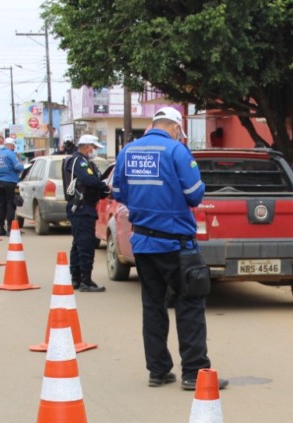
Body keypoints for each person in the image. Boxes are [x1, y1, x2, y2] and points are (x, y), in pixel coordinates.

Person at [113, 107, 227, 391]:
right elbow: (195, 195)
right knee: (190, 305)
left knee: (153, 306)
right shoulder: (177, 151)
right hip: (177, 245)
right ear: (176, 128)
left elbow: (118, 192)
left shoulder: (127, 152)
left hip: (143, 244)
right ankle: (194, 372)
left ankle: (158, 371)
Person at [66, 134, 108, 293]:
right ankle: (85, 280)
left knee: (78, 244)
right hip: (81, 207)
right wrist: (103, 186)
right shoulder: (79, 161)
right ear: (86, 146)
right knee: (85, 244)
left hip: (85, 207)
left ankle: (76, 279)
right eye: (94, 147)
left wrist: (102, 189)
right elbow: (88, 180)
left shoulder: (85, 162)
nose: (94, 150)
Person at [0, 136, 24, 236]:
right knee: (11, 204)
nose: (13, 148)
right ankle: (10, 228)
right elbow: (18, 167)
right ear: (11, 145)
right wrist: (22, 166)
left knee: (2, 205)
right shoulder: (10, 154)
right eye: (13, 146)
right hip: (10, 182)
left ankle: (0, 228)